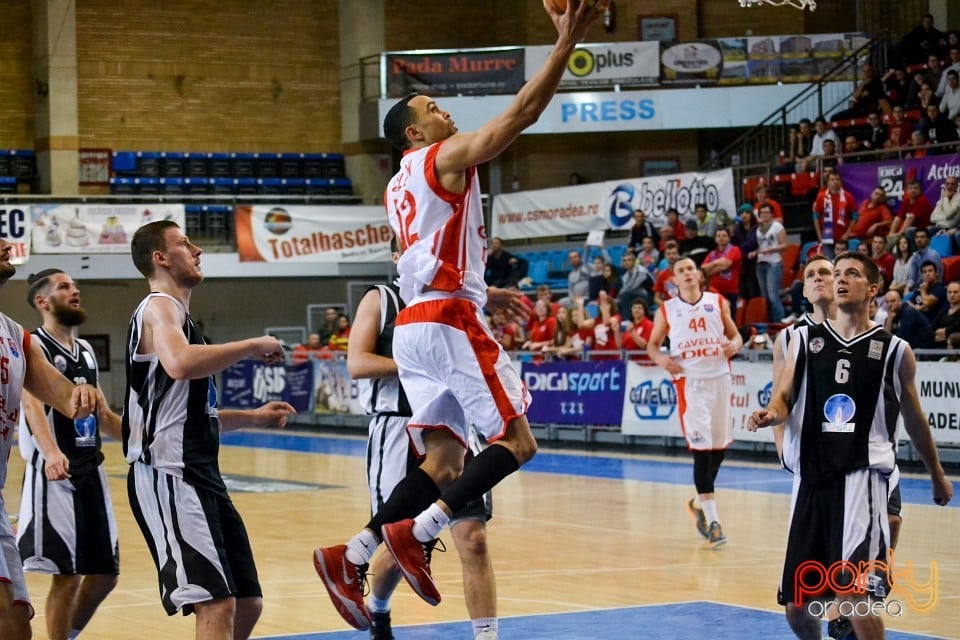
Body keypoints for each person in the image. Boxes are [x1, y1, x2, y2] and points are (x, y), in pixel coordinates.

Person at [312, 2, 608, 631]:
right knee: (518, 441)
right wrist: (565, 44)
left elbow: (425, 248)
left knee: (442, 462)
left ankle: (354, 552)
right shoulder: (437, 159)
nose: (445, 110)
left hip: (418, 325)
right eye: (431, 109)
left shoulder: (398, 181)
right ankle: (420, 532)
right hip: (447, 317)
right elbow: (523, 115)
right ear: (414, 134)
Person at [748, 251, 953, 640]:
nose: (840, 279)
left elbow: (915, 419)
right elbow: (785, 395)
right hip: (811, 480)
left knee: (852, 594)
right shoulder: (804, 339)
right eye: (837, 273)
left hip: (862, 480)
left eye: (852, 274)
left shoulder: (895, 351)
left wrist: (937, 476)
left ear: (872, 289)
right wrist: (770, 415)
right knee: (797, 609)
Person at [123, 220, 296, 640]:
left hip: (202, 475)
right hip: (169, 473)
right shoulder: (158, 306)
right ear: (159, 258)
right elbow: (180, 363)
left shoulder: (182, 317)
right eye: (184, 243)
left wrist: (252, 418)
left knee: (247, 601)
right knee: (216, 601)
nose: (198, 250)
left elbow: (192, 411)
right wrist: (252, 345)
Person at [348, 279, 499, 640]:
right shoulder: (382, 298)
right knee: (403, 544)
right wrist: (421, 363)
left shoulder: (458, 299)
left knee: (473, 537)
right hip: (399, 427)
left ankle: (487, 635)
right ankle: (379, 610)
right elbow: (357, 362)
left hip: (456, 426)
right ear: (398, 253)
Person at [0, 238, 100, 640]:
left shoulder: (14, 336)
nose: (7, 243)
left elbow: (65, 400)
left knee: (15, 623)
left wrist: (83, 396)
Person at [15, 269, 122, 640]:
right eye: (64, 287)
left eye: (75, 285)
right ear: (43, 301)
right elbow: (31, 405)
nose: (75, 291)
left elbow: (104, 416)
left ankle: (69, 635)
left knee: (105, 573)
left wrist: (146, 440)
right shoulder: (34, 345)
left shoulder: (88, 351)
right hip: (55, 472)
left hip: (92, 468)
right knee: (67, 574)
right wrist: (51, 452)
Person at [647, 256, 743, 547]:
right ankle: (713, 521)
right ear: (674, 279)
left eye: (691, 269)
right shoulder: (667, 310)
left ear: (699, 275)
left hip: (721, 379)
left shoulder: (718, 302)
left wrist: (734, 345)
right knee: (701, 450)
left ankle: (700, 502)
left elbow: (736, 336)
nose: (687, 273)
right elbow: (652, 346)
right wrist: (663, 360)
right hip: (691, 383)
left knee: (719, 449)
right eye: (681, 270)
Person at [755, 204, 788, 322]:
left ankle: (779, 319)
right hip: (760, 262)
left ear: (772, 214)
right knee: (765, 295)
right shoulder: (757, 229)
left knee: (772, 294)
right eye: (762, 213)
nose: (764, 215)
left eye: (767, 212)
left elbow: (785, 245)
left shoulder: (777, 226)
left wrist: (771, 250)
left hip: (774, 262)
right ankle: (769, 319)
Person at [812, 172, 857, 258]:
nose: (835, 182)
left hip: (843, 238)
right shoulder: (821, 197)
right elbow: (816, 217)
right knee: (829, 262)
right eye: (832, 180)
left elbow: (854, 216)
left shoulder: (848, 196)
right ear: (828, 182)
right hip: (826, 238)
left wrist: (848, 233)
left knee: (843, 261)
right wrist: (819, 236)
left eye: (837, 179)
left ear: (841, 182)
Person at [701, 227, 742, 312]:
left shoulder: (735, 250)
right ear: (715, 239)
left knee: (729, 319)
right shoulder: (712, 254)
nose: (721, 238)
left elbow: (725, 265)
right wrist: (716, 263)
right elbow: (702, 270)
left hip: (730, 292)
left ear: (729, 238)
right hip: (713, 291)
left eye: (724, 236)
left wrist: (710, 270)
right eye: (718, 236)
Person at [932, 279, 960, 348]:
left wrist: (946, 332)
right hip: (938, 346)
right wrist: (935, 336)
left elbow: (957, 325)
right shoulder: (943, 311)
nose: (952, 295)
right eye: (949, 292)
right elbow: (933, 327)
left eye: (955, 292)